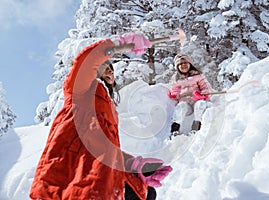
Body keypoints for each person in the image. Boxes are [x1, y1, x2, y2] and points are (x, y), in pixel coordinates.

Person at [29, 33, 172, 200]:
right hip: (69, 178)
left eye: (111, 67)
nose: (110, 69)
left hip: (98, 180)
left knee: (147, 194)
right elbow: (87, 60)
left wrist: (134, 165)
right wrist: (119, 43)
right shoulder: (79, 92)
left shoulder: (108, 108)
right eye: (105, 65)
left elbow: (104, 150)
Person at [168, 54, 213, 139]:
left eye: (186, 63)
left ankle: (196, 128)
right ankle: (175, 130)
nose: (184, 65)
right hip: (186, 102)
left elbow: (206, 88)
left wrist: (201, 94)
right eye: (181, 64)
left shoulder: (198, 76)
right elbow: (174, 89)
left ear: (190, 64)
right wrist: (175, 94)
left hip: (197, 100)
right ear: (177, 67)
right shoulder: (177, 79)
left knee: (200, 105)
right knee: (181, 107)